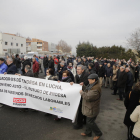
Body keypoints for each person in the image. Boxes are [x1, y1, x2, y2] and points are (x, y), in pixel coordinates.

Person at [80, 74, 102, 140]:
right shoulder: (93, 85)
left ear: (94, 80)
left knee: (90, 122)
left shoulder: (96, 88)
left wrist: (81, 93)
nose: (88, 80)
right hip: (89, 107)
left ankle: (98, 133)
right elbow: (87, 90)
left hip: (92, 108)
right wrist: (83, 86)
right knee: (88, 121)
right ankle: (88, 132)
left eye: (89, 79)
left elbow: (88, 97)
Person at [73, 65, 89, 130]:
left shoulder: (86, 76)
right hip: (80, 94)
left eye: (79, 69)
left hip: (84, 94)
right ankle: (84, 121)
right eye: (77, 69)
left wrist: (83, 84)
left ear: (82, 70)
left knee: (80, 109)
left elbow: (86, 85)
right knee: (82, 108)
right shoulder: (77, 76)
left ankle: (79, 124)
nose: (77, 70)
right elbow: (76, 84)